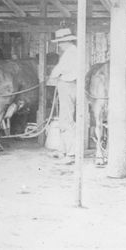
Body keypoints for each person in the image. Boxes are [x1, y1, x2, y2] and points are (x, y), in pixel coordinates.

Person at [48, 28, 77, 165]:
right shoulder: (74, 52)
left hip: (68, 86)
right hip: (71, 86)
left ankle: (71, 154)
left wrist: (53, 75)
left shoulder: (69, 54)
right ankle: (63, 149)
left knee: (66, 120)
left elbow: (55, 72)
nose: (59, 45)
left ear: (66, 42)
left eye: (60, 42)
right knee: (67, 119)